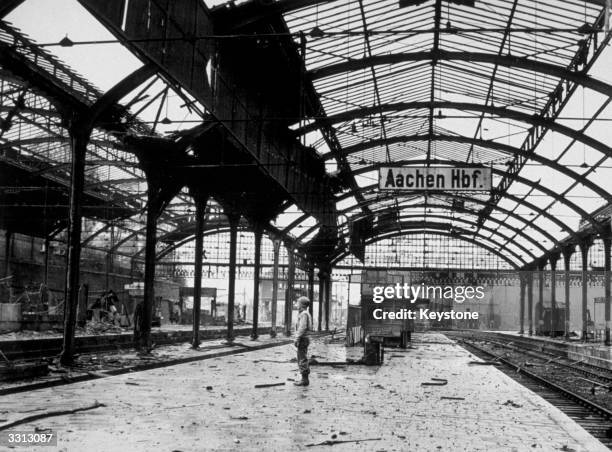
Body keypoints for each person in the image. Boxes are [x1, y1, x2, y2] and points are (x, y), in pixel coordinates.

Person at [294, 296, 313, 387]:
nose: (297, 305)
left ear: (302, 304)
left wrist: (297, 338)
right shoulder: (305, 313)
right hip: (304, 338)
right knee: (302, 357)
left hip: (303, 339)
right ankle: (304, 379)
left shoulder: (304, 314)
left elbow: (302, 327)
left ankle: (304, 380)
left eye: (298, 303)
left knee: (302, 358)